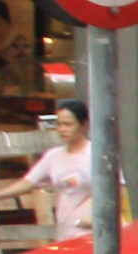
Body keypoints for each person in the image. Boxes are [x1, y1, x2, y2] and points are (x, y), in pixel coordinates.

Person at [15, 103, 95, 242]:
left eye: (68, 124)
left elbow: (118, 190)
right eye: (59, 124)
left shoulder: (97, 154)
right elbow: (28, 182)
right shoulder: (53, 156)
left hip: (93, 233)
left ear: (84, 125)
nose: (62, 129)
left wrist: (96, 216)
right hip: (66, 230)